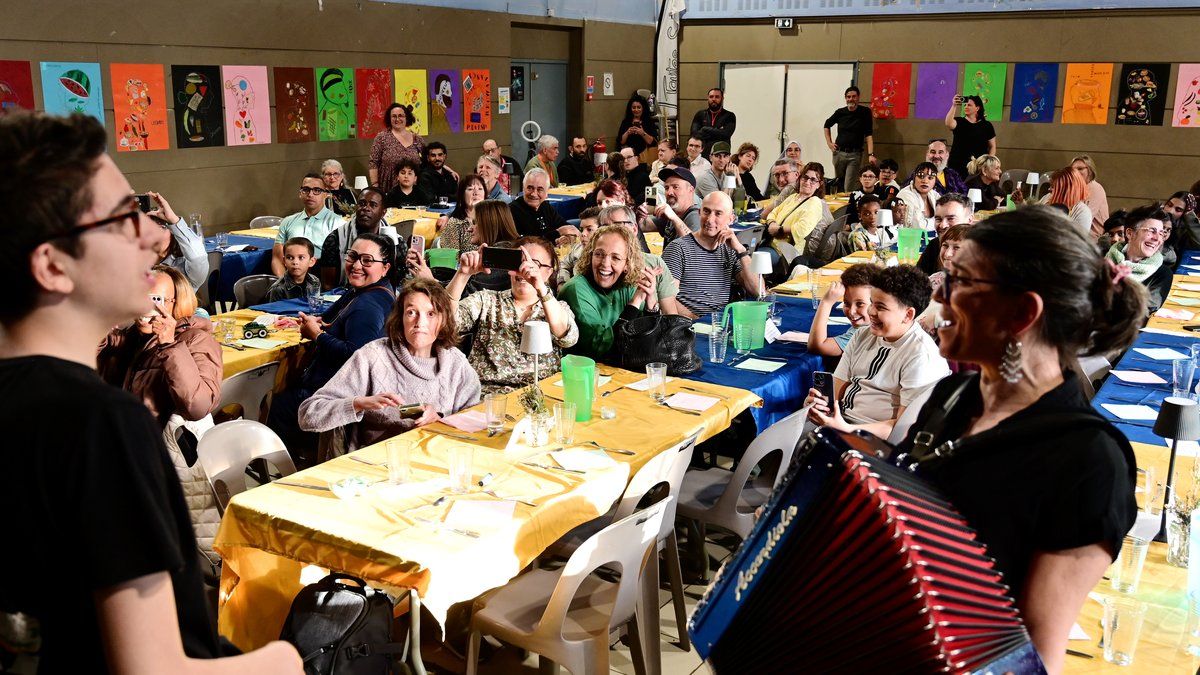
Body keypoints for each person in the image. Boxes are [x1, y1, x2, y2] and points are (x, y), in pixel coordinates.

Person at [0, 110, 300, 673]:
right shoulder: (98, 423)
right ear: (53, 266)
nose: (153, 237)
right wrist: (281, 661)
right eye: (121, 220)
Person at [899, 207, 1143, 673]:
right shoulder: (954, 396)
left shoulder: (1088, 461)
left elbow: (1029, 658)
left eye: (960, 280)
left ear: (1022, 313)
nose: (939, 292)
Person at [299, 279, 480, 451]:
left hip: (436, 462)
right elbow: (308, 415)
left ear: (444, 320)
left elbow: (475, 426)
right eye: (411, 312)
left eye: (431, 314)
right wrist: (359, 403)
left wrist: (440, 418)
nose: (420, 323)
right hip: (375, 467)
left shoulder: (456, 364)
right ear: (400, 318)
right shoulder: (373, 356)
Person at [267, 233, 396, 461]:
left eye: (367, 260)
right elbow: (329, 319)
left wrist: (317, 336)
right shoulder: (366, 290)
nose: (356, 265)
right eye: (353, 257)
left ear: (385, 268)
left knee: (277, 402)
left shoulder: (368, 305)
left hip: (339, 396)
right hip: (343, 388)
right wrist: (306, 322)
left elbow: (355, 356)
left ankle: (292, 468)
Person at [806, 265, 950, 439]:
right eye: (872, 303)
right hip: (841, 424)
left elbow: (903, 430)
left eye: (880, 307)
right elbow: (836, 390)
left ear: (908, 315)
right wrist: (819, 405)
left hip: (873, 441)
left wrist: (847, 429)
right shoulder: (862, 334)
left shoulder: (921, 356)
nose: (871, 311)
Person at [98, 264, 222, 427]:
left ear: (175, 303)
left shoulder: (198, 340)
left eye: (155, 300)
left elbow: (198, 409)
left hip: (158, 445)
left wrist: (169, 346)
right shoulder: (131, 337)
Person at [451, 237, 579, 394]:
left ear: (549, 272)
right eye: (519, 262)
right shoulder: (487, 301)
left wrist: (539, 286)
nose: (524, 269)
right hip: (488, 400)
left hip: (539, 399)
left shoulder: (557, 308)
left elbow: (568, 338)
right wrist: (463, 274)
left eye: (535, 264)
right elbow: (444, 323)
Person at [559, 225, 667, 361]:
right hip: (587, 372)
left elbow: (651, 342)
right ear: (590, 256)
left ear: (627, 263)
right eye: (599, 254)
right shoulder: (576, 289)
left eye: (615, 258)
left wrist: (650, 301)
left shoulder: (627, 284)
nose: (605, 263)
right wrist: (635, 303)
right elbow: (602, 347)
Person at [663, 191, 758, 317]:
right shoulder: (678, 248)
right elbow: (666, 299)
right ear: (699, 213)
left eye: (718, 213)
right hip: (687, 325)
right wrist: (697, 321)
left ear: (731, 219)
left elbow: (757, 290)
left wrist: (741, 250)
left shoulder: (730, 250)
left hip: (719, 323)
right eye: (706, 211)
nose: (710, 219)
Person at [600, 204, 683, 315]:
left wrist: (651, 303)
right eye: (604, 227)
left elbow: (671, 316)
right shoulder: (599, 267)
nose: (610, 232)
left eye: (617, 225)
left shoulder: (654, 263)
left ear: (634, 229)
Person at [320, 187, 405, 289]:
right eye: (362, 203)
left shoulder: (397, 242)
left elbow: (399, 283)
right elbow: (328, 285)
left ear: (383, 212)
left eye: (373, 205)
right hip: (343, 295)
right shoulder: (335, 238)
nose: (366, 208)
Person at [273, 173, 342, 276]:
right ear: (300, 193)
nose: (310, 194)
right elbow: (277, 259)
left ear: (326, 194)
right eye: (306, 190)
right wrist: (284, 284)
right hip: (290, 279)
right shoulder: (288, 221)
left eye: (317, 190)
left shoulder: (337, 223)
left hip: (323, 279)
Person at [1106, 203, 1171, 313]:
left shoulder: (1161, 273)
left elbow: (1143, 313)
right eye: (1151, 231)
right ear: (1130, 234)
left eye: (1161, 233)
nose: (1157, 238)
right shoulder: (1103, 260)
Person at [808, 263, 876, 357]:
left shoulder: (862, 333)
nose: (852, 311)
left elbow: (817, 346)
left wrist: (826, 302)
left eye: (860, 304)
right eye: (847, 303)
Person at [145, 191, 209, 290]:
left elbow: (198, 258)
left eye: (161, 227)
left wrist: (174, 220)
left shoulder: (184, 268)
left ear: (173, 233)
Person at [917, 223, 972, 337]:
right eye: (945, 245)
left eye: (957, 248)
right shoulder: (936, 279)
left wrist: (936, 318)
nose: (947, 253)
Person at [823, 86, 875, 192]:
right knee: (839, 183)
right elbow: (826, 125)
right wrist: (829, 143)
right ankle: (839, 207)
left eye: (854, 96)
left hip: (854, 155)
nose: (851, 99)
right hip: (838, 154)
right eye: (848, 97)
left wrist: (871, 154)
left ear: (858, 97)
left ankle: (847, 207)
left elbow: (868, 135)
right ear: (845, 98)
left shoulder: (865, 112)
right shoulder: (840, 112)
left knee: (848, 186)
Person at [765, 162, 827, 247]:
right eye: (805, 177)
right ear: (800, 178)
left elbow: (802, 229)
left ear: (819, 184)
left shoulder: (815, 203)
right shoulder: (793, 197)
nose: (807, 182)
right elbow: (773, 212)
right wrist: (772, 224)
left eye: (813, 180)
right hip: (771, 242)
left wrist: (779, 230)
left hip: (785, 251)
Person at [369, 103, 424, 195]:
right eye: (394, 116)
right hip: (388, 188)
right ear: (389, 119)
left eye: (401, 116)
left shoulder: (417, 138)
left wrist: (447, 169)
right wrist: (375, 186)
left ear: (407, 118)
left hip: (413, 190)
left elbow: (429, 158)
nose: (397, 119)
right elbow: (373, 163)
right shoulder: (382, 138)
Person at [916, 193, 974, 274]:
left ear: (969, 220)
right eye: (938, 219)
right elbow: (918, 281)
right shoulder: (934, 245)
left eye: (950, 219)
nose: (942, 225)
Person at [509, 168, 572, 240]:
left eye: (540, 189)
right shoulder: (511, 211)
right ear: (523, 188)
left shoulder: (546, 206)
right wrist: (558, 233)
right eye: (530, 188)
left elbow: (564, 226)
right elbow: (527, 242)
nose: (534, 194)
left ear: (547, 192)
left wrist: (567, 236)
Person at [944, 95, 996, 177]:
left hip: (978, 166)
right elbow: (948, 123)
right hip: (957, 165)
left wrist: (988, 163)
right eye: (965, 105)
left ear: (977, 108)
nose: (966, 107)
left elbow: (992, 146)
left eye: (969, 105)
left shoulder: (987, 125)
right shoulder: (960, 121)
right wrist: (954, 105)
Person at [653, 166, 702, 248]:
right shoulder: (674, 214)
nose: (669, 192)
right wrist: (639, 215)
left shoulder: (695, 215)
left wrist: (674, 218)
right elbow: (645, 226)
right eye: (666, 188)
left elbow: (694, 249)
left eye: (675, 187)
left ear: (690, 190)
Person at [438, 174, 488, 253]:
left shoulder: (491, 220)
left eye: (480, 189)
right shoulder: (455, 223)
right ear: (462, 195)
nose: (476, 193)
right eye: (470, 189)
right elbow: (451, 259)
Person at [558, 206, 602, 286]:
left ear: (602, 229)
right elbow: (564, 265)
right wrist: (562, 283)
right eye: (581, 230)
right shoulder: (578, 247)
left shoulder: (604, 256)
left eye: (589, 229)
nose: (583, 234)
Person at [1043, 167, 1092, 236]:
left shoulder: (1082, 212)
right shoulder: (1046, 198)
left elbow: (1076, 242)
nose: (1049, 189)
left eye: (1053, 187)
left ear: (1066, 190)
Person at [267, 237, 321, 301]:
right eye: (290, 258)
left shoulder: (314, 281)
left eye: (301, 257)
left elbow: (315, 305)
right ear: (284, 261)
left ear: (312, 261)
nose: (295, 262)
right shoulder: (278, 289)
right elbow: (273, 310)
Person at [1070, 155, 1110, 238]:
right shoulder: (1076, 189)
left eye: (1080, 168)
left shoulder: (1095, 188)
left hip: (1095, 240)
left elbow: (1083, 218)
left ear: (1090, 171)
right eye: (1073, 169)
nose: (1075, 172)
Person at [689, 87, 736, 155]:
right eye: (711, 97)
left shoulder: (729, 116)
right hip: (702, 155)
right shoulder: (700, 114)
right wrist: (718, 131)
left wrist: (704, 129)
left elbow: (726, 134)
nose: (713, 99)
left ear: (722, 98)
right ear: (708, 98)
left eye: (717, 97)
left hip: (721, 156)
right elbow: (694, 134)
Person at [895, 162, 941, 230]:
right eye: (921, 176)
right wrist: (938, 222)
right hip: (909, 238)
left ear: (935, 181)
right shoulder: (905, 195)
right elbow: (918, 227)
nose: (925, 181)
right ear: (914, 177)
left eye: (930, 178)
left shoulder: (934, 194)